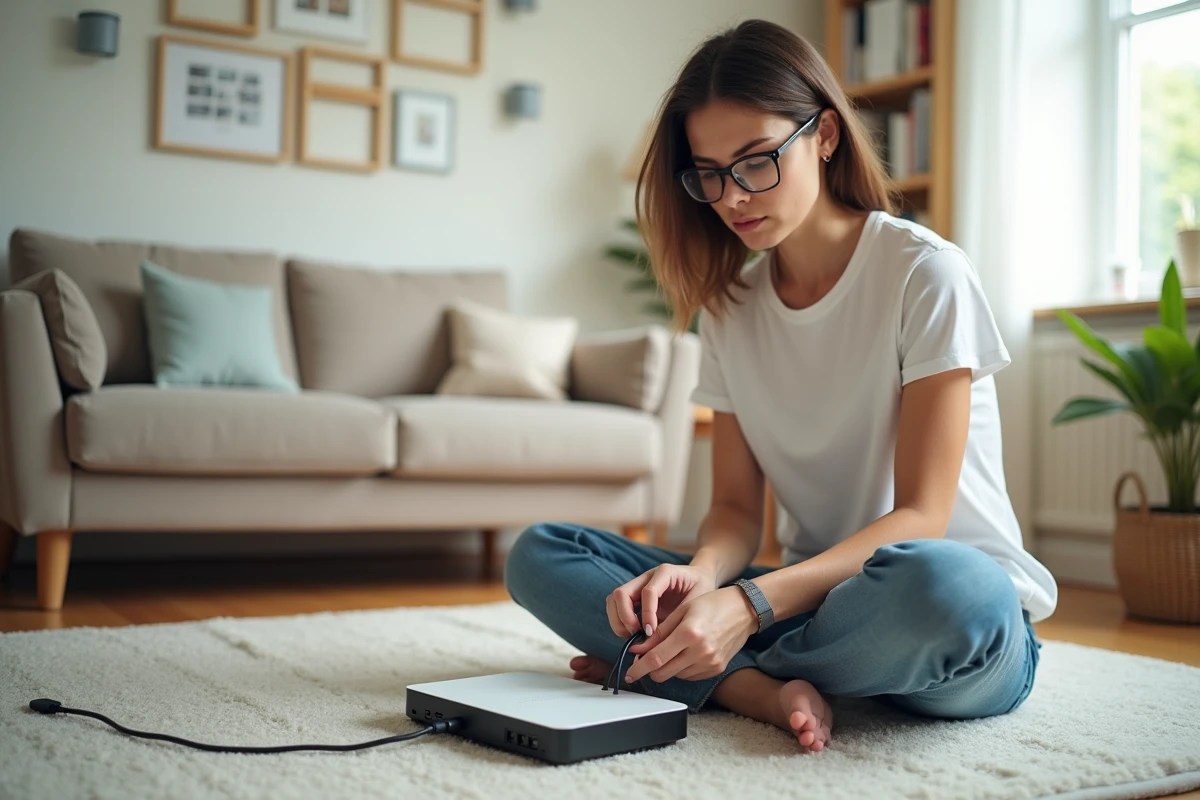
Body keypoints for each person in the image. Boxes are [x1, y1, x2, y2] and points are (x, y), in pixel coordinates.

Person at [504, 18, 1057, 753]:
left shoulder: (925, 274)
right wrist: (702, 580)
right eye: (709, 171)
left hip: (942, 623)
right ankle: (753, 686)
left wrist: (748, 607)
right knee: (541, 552)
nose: (732, 195)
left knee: (953, 587)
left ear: (825, 134)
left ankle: (685, 667)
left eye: (756, 160)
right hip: (813, 605)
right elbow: (734, 508)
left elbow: (924, 513)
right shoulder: (730, 309)